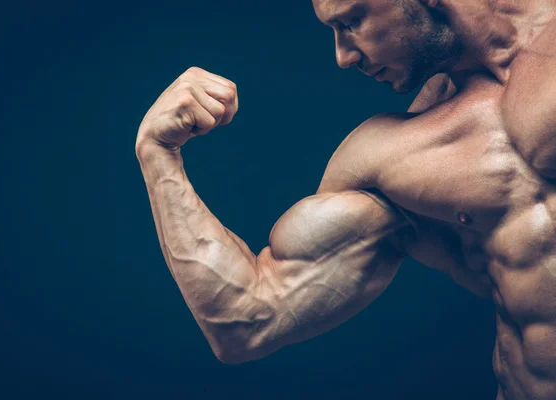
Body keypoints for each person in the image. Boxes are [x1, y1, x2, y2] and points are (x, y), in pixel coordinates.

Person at [134, 0, 556, 398]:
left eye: (352, 21)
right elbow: (248, 320)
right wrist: (157, 156)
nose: (342, 57)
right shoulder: (394, 152)